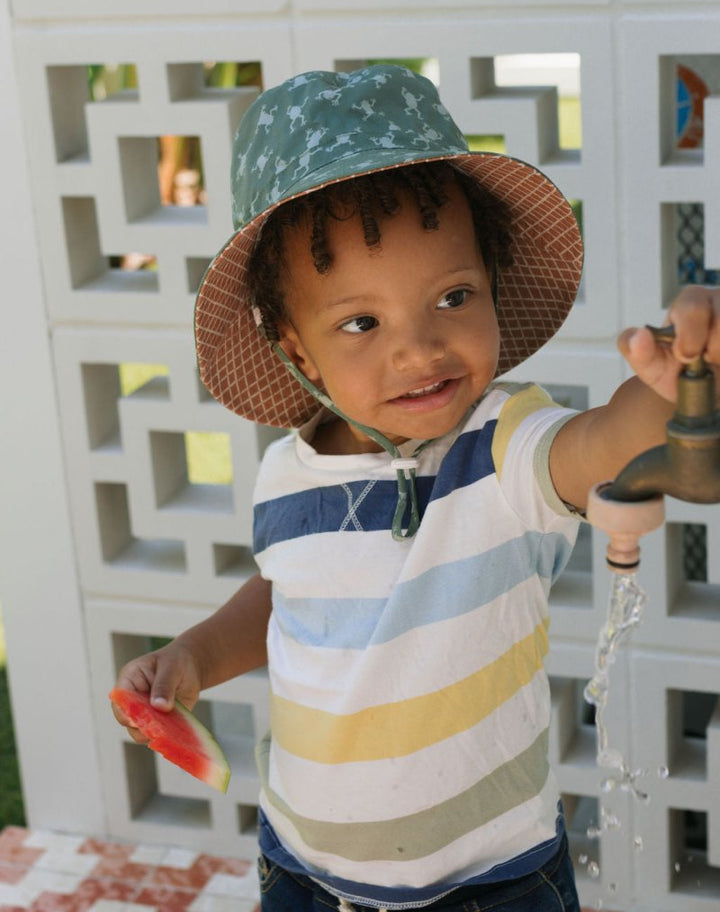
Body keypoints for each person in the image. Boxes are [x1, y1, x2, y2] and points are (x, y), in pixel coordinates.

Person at [112, 64, 720, 912]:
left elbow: (604, 444)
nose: (419, 347)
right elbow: (291, 592)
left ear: (491, 286)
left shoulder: (506, 448)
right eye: (361, 322)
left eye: (453, 296)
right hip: (304, 874)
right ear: (295, 347)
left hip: (491, 887)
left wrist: (674, 383)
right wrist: (195, 657)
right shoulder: (289, 472)